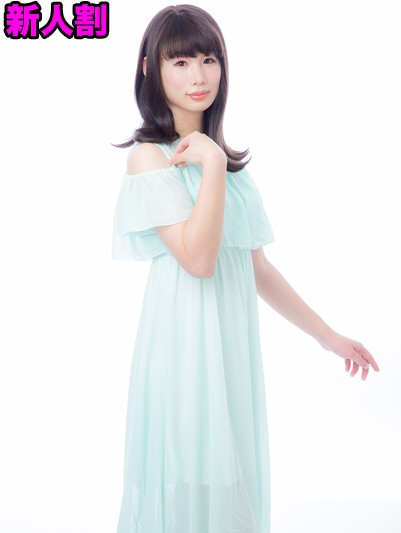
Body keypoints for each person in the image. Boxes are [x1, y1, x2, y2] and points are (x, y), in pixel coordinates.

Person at [111, 4, 380, 532]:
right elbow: (198, 259)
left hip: (231, 349)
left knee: (231, 488)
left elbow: (257, 268)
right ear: (149, 69)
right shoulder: (151, 158)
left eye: (208, 60)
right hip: (183, 348)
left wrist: (328, 337)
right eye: (181, 62)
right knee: (186, 480)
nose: (199, 76)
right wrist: (211, 164)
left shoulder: (231, 170)